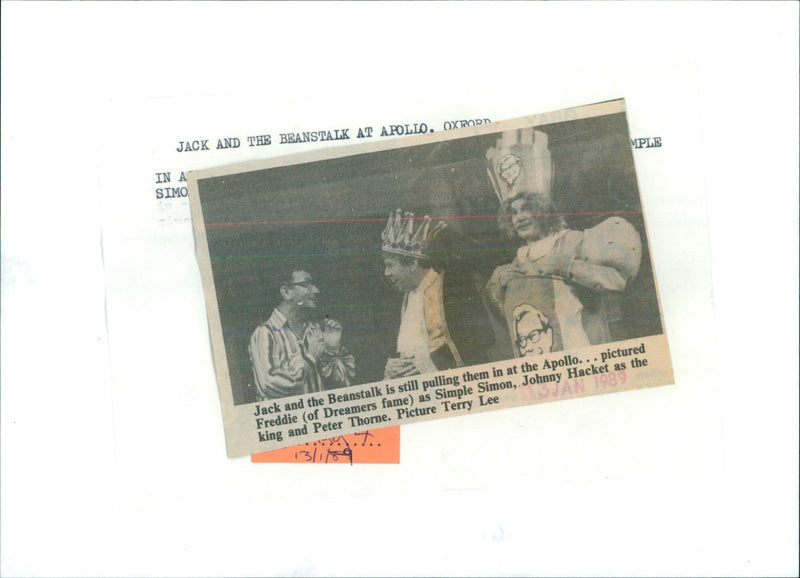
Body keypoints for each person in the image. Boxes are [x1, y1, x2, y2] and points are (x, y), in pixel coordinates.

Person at [485, 129, 642, 357]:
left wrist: (568, 266)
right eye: (513, 212)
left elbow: (618, 280)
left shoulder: (572, 240)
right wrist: (501, 289)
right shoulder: (517, 260)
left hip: (580, 345)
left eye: (527, 208)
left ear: (543, 211)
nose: (519, 217)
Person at [381, 209, 493, 378]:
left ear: (412, 263)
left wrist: (429, 363)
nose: (386, 273)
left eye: (390, 265)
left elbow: (479, 339)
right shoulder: (407, 296)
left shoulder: (452, 287)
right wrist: (392, 368)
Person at [248, 269, 355, 399]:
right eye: (306, 284)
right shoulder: (265, 332)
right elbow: (269, 385)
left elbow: (344, 383)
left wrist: (332, 350)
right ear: (286, 292)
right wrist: (309, 358)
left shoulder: (314, 331)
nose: (316, 290)